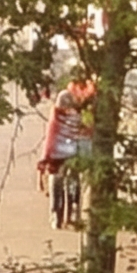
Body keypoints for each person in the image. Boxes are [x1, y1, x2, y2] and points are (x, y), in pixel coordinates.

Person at [38, 76, 95, 228]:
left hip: (63, 154)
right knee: (63, 181)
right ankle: (63, 215)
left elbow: (52, 138)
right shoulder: (71, 117)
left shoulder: (61, 117)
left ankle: (66, 215)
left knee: (67, 182)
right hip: (65, 154)